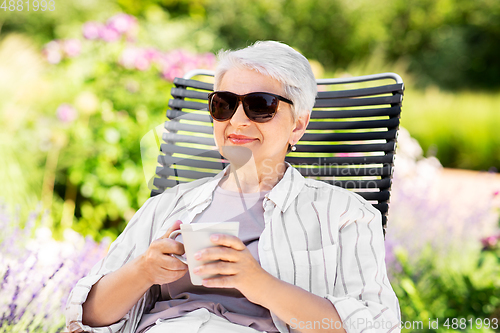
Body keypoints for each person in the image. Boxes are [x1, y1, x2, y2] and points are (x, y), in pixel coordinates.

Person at [65, 41, 401, 333]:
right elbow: (88, 320)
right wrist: (143, 271)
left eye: (261, 105)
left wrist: (259, 284)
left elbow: (375, 326)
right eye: (224, 104)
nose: (237, 121)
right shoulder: (168, 206)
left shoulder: (345, 215)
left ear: (298, 125)